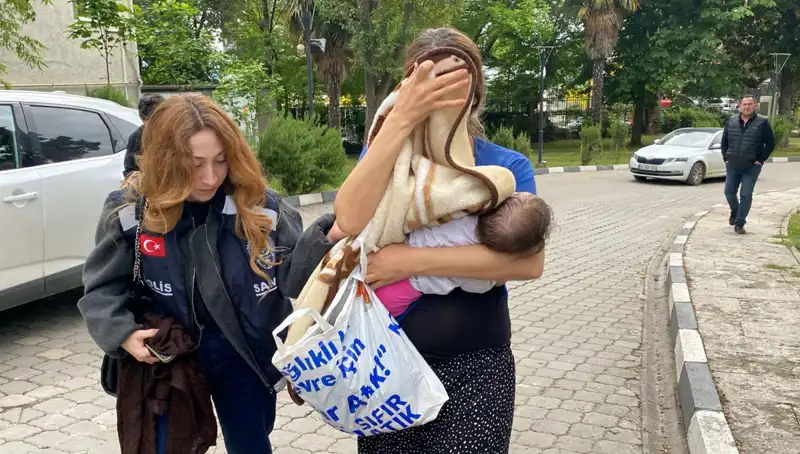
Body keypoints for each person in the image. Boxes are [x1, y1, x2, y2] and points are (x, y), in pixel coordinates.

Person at [78, 94, 337, 454]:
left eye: (221, 160)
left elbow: (294, 279)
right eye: (194, 164)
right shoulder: (130, 211)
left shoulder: (259, 205)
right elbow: (101, 288)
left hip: (245, 356)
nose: (210, 177)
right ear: (165, 159)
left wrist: (329, 236)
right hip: (170, 359)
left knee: (250, 446)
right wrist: (122, 333)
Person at [334, 28, 544, 453]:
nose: (444, 93)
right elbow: (349, 218)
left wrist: (410, 261)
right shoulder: (386, 157)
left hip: (477, 369)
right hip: (385, 365)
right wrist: (400, 120)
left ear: (476, 91)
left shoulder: (503, 167)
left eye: (457, 79)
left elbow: (526, 263)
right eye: (431, 80)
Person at [369, 192, 552, 318]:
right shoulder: (485, 271)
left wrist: (409, 260)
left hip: (390, 246)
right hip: (412, 287)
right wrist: (495, 276)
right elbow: (482, 285)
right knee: (378, 314)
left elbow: (532, 266)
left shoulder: (462, 214)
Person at [721, 94, 775, 234]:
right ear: (740, 105)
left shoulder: (762, 122)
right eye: (744, 104)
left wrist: (760, 160)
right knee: (729, 192)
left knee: (746, 194)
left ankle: (739, 223)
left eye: (750, 104)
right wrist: (726, 157)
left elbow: (770, 143)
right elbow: (724, 140)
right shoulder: (732, 120)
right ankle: (735, 211)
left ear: (755, 106)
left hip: (751, 166)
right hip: (733, 164)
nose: (747, 107)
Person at [123, 93, 165, 177]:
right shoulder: (136, 138)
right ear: (142, 118)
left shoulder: (177, 134)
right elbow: (129, 170)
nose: (157, 125)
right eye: (152, 121)